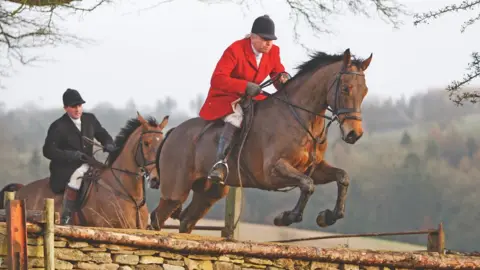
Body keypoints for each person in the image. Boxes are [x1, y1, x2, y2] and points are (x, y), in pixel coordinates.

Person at [199, 14, 290, 185]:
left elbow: (277, 74)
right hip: (226, 96)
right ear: (253, 37)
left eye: (271, 39)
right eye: (265, 39)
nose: (269, 43)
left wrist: (283, 79)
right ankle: (220, 163)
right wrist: (245, 86)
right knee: (237, 116)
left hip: (252, 95)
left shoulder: (273, 51)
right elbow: (217, 79)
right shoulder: (235, 49)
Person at [42, 88, 116, 225]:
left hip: (88, 163)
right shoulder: (58, 126)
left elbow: (103, 134)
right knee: (77, 178)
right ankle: (67, 215)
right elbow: (48, 151)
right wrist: (70, 155)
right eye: (73, 106)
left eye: (79, 106)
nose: (77, 109)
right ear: (65, 108)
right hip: (65, 169)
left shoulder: (90, 119)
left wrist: (109, 143)